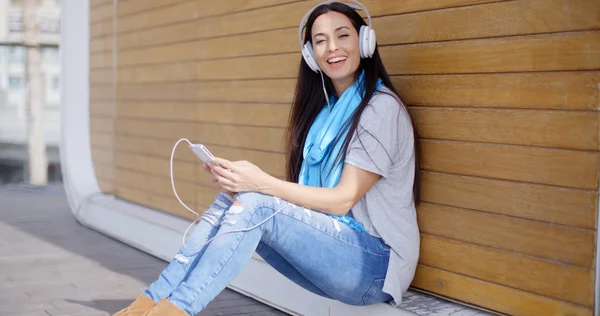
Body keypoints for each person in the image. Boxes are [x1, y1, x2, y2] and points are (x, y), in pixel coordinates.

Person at [114, 1, 420, 315]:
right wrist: (243, 184)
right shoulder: (325, 116)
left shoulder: (381, 109)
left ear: (364, 41)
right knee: (235, 199)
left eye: (342, 36)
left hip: (375, 266)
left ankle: (173, 311)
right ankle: (148, 304)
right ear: (310, 56)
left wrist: (261, 184)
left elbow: (342, 200)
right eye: (320, 41)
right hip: (340, 251)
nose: (332, 48)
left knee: (256, 203)